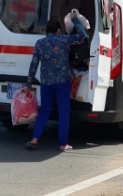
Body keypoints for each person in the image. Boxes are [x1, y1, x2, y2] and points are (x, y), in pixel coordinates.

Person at [23, 12, 86, 152]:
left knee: (44, 110)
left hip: (46, 83)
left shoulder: (39, 43)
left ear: (46, 30)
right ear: (58, 30)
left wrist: (28, 84)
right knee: (64, 113)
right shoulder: (63, 40)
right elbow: (83, 35)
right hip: (62, 82)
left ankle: (34, 140)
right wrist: (74, 21)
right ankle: (63, 144)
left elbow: (33, 65)